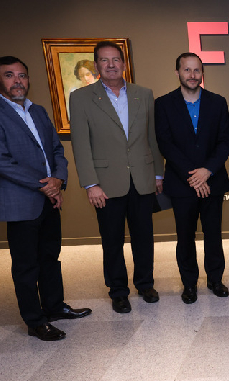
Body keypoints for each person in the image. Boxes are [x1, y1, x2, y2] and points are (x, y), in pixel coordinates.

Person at [0, 56, 91, 341]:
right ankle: (35, 320)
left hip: (49, 199)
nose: (18, 81)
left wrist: (59, 180)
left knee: (50, 257)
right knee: (26, 265)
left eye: (22, 75)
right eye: (10, 75)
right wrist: (45, 186)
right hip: (20, 202)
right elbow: (0, 161)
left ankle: (54, 306)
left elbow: (56, 150)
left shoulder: (37, 110)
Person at [69, 41, 164, 313]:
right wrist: (91, 184)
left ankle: (145, 284)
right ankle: (118, 291)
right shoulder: (81, 98)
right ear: (96, 65)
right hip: (106, 184)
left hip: (143, 178)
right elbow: (80, 144)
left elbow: (151, 138)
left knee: (144, 237)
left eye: (115, 60)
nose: (111, 65)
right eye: (104, 60)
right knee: (112, 240)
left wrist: (158, 173)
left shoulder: (143, 94)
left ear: (124, 63)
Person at [155, 53, 229, 304]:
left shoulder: (218, 102)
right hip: (181, 183)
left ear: (202, 73)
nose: (192, 75)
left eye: (196, 70)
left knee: (213, 235)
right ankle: (189, 284)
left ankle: (215, 280)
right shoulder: (164, 104)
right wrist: (193, 176)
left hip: (213, 181)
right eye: (187, 70)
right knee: (185, 236)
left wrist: (206, 172)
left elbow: (223, 142)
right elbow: (166, 144)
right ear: (177, 73)